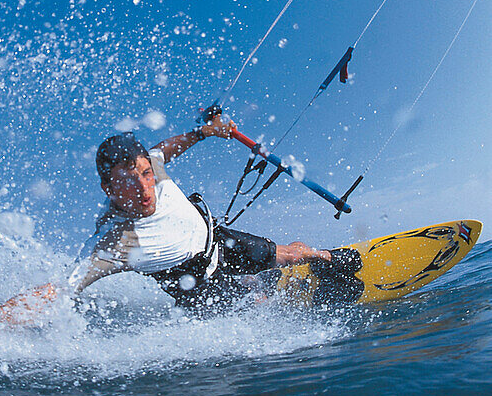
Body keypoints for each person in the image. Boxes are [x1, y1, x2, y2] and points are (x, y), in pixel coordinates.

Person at [67, 113, 331, 314]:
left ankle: (316, 259)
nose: (144, 188)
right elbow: (61, 288)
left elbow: (163, 150)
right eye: (127, 182)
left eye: (146, 174)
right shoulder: (112, 241)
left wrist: (205, 131)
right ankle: (254, 287)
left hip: (219, 242)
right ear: (108, 188)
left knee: (295, 255)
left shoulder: (151, 166)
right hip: (195, 285)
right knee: (255, 309)